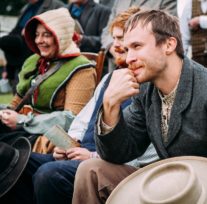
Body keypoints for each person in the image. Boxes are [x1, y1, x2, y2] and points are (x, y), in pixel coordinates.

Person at [73, 10, 207, 203]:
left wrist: (179, 187)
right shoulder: (147, 91)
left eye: (137, 46)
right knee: (91, 170)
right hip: (172, 184)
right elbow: (119, 153)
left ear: (169, 45)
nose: (128, 58)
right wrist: (110, 106)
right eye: (127, 49)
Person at [0, 7, 159, 204]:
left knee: (47, 173)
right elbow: (83, 120)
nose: (117, 46)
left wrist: (91, 155)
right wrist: (68, 143)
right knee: (13, 161)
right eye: (115, 39)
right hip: (76, 150)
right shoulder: (110, 77)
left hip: (105, 162)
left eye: (127, 42)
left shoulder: (151, 85)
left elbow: (145, 148)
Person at [0, 8, 96, 145]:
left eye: (46, 35)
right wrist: (5, 112)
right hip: (24, 128)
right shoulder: (33, 61)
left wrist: (24, 120)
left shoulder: (82, 69)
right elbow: (17, 103)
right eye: (37, 34)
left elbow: (72, 119)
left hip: (52, 138)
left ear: (61, 36)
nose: (39, 40)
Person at [0, 0, 64, 93]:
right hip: (19, 60)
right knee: (19, 97)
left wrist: (31, 30)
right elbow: (14, 31)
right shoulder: (26, 8)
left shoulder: (56, 6)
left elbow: (62, 31)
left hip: (37, 58)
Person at [101, 0, 177, 73]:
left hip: (146, 69)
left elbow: (167, 30)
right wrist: (116, 48)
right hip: (116, 66)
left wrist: (131, 47)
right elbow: (107, 30)